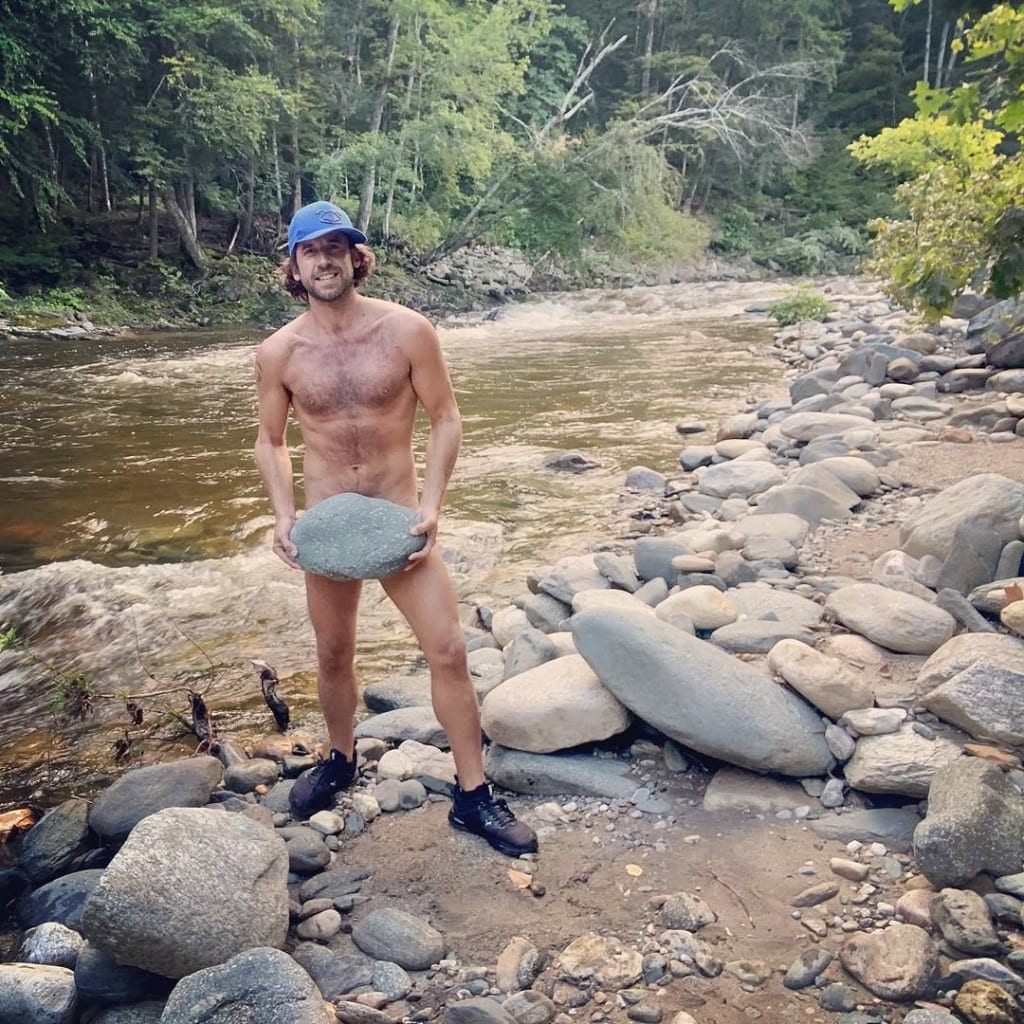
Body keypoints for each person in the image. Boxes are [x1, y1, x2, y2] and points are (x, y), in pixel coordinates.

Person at [254, 200, 537, 858]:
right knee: (332, 656)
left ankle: (473, 797)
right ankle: (341, 757)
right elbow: (269, 442)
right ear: (294, 267)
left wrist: (432, 505)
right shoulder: (278, 352)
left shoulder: (408, 331)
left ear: (357, 256)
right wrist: (284, 513)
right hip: (327, 530)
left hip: (401, 526)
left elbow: (446, 418)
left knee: (449, 652)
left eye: (335, 246)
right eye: (309, 250)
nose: (323, 259)